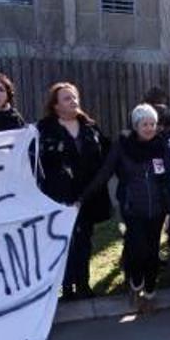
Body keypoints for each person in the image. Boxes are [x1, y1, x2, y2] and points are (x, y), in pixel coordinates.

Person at [81, 104, 170, 311]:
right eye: (145, 124)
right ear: (135, 125)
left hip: (158, 209)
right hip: (133, 208)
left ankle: (150, 293)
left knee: (152, 252)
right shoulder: (123, 146)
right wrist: (84, 196)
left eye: (153, 124)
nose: (149, 128)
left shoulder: (163, 146)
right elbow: (105, 173)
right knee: (137, 249)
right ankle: (136, 282)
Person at [36, 82, 112, 301]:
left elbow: (108, 152)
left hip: (87, 195)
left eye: (75, 97)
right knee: (65, 242)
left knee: (85, 240)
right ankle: (66, 286)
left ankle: (83, 284)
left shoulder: (90, 126)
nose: (73, 101)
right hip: (60, 196)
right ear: (56, 105)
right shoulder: (44, 129)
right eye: (67, 98)